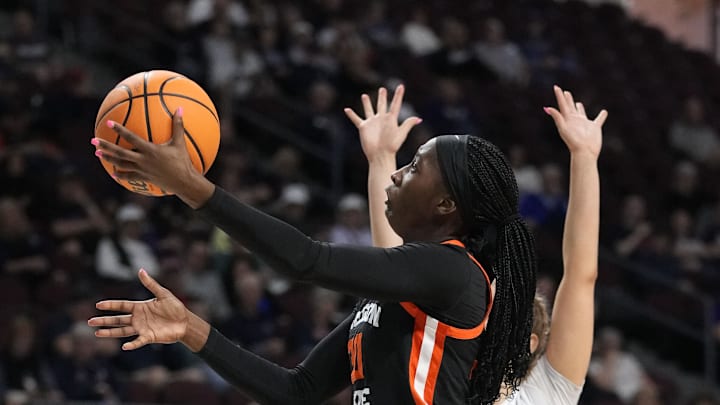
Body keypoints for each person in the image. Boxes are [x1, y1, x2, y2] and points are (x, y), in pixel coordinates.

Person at [88, 86, 537, 404]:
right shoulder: (399, 295)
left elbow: (305, 260)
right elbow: (295, 392)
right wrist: (191, 329)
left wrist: (192, 187)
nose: (399, 174)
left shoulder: (454, 273)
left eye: (415, 168)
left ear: (445, 204)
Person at [348, 84, 606, 405]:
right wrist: (381, 159)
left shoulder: (548, 394)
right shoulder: (444, 368)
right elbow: (392, 267)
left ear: (527, 343)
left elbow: (582, 276)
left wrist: (584, 157)